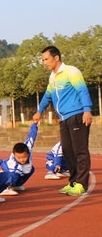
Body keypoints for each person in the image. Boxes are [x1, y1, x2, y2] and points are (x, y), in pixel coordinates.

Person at [33, 45, 93, 196]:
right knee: (67, 151)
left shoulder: (71, 71)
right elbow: (48, 95)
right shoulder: (52, 77)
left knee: (80, 151)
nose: (44, 62)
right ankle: (73, 182)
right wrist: (39, 111)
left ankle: (81, 184)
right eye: (43, 60)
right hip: (63, 118)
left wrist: (87, 109)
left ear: (56, 57)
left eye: (46, 59)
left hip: (77, 115)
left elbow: (82, 90)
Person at [0, 121, 39, 196]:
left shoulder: (28, 147)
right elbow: (13, 172)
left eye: (24, 157)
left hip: (20, 168)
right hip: (8, 167)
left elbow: (32, 136)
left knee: (31, 169)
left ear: (28, 153)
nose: (22, 160)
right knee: (14, 175)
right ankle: (4, 188)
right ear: (14, 155)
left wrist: (35, 124)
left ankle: (16, 185)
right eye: (19, 157)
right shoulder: (14, 165)